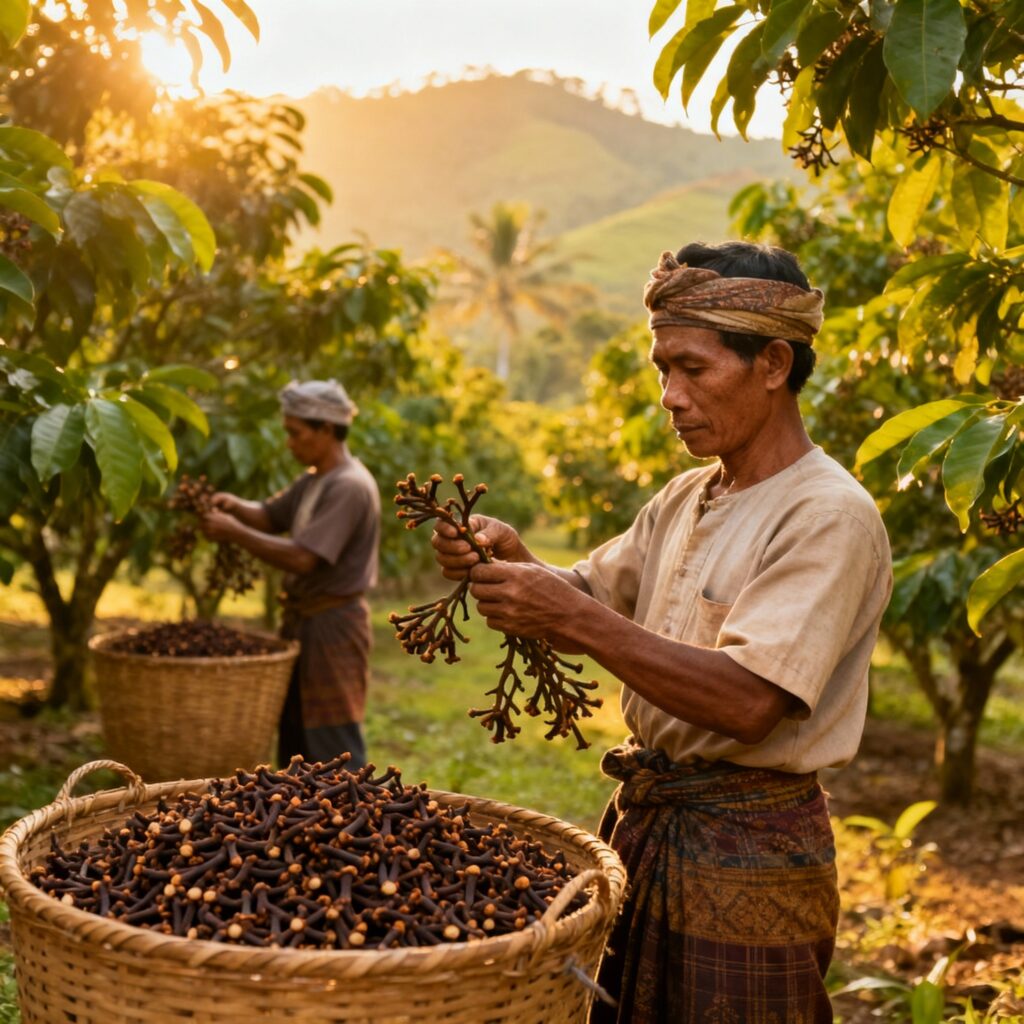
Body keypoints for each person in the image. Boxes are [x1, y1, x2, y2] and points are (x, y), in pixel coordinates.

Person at [432, 241, 893, 1023]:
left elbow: (751, 702)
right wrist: (517, 562)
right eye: (661, 371)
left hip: (748, 849)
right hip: (650, 824)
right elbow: (590, 596)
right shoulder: (686, 496)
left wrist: (568, 612)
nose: (670, 397)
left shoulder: (827, 514)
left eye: (693, 369)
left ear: (774, 363)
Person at [200, 378, 380, 770]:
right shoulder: (316, 478)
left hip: (333, 628)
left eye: (295, 433)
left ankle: (352, 822)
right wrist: (235, 508)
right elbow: (269, 515)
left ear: (327, 430)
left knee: (332, 742)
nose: (289, 443)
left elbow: (303, 558)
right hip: (305, 625)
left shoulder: (348, 486)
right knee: (297, 740)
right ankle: (303, 825)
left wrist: (233, 531)